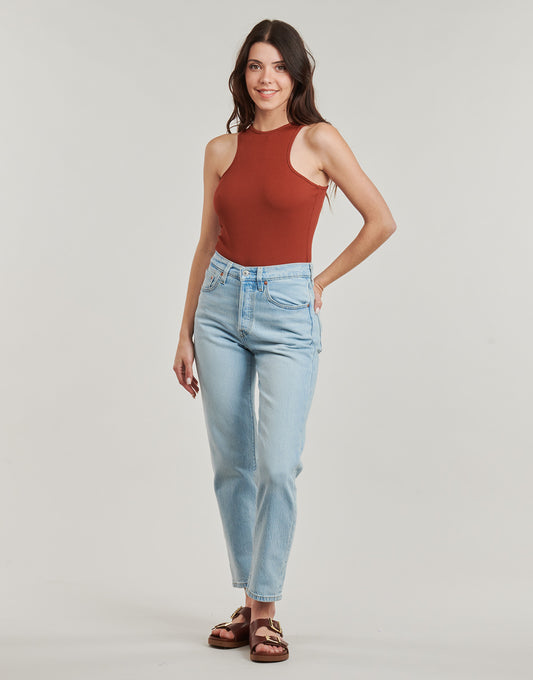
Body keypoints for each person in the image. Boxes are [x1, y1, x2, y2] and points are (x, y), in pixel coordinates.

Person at [173, 19, 397, 663]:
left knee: (277, 465)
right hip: (219, 307)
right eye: (254, 66)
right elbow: (206, 241)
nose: (265, 78)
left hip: (286, 310)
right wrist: (184, 329)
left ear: (297, 75)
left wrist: (317, 281)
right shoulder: (221, 149)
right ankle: (253, 605)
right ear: (241, 75)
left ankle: (265, 606)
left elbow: (380, 220)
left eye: (277, 66)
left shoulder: (319, 139)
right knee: (232, 464)